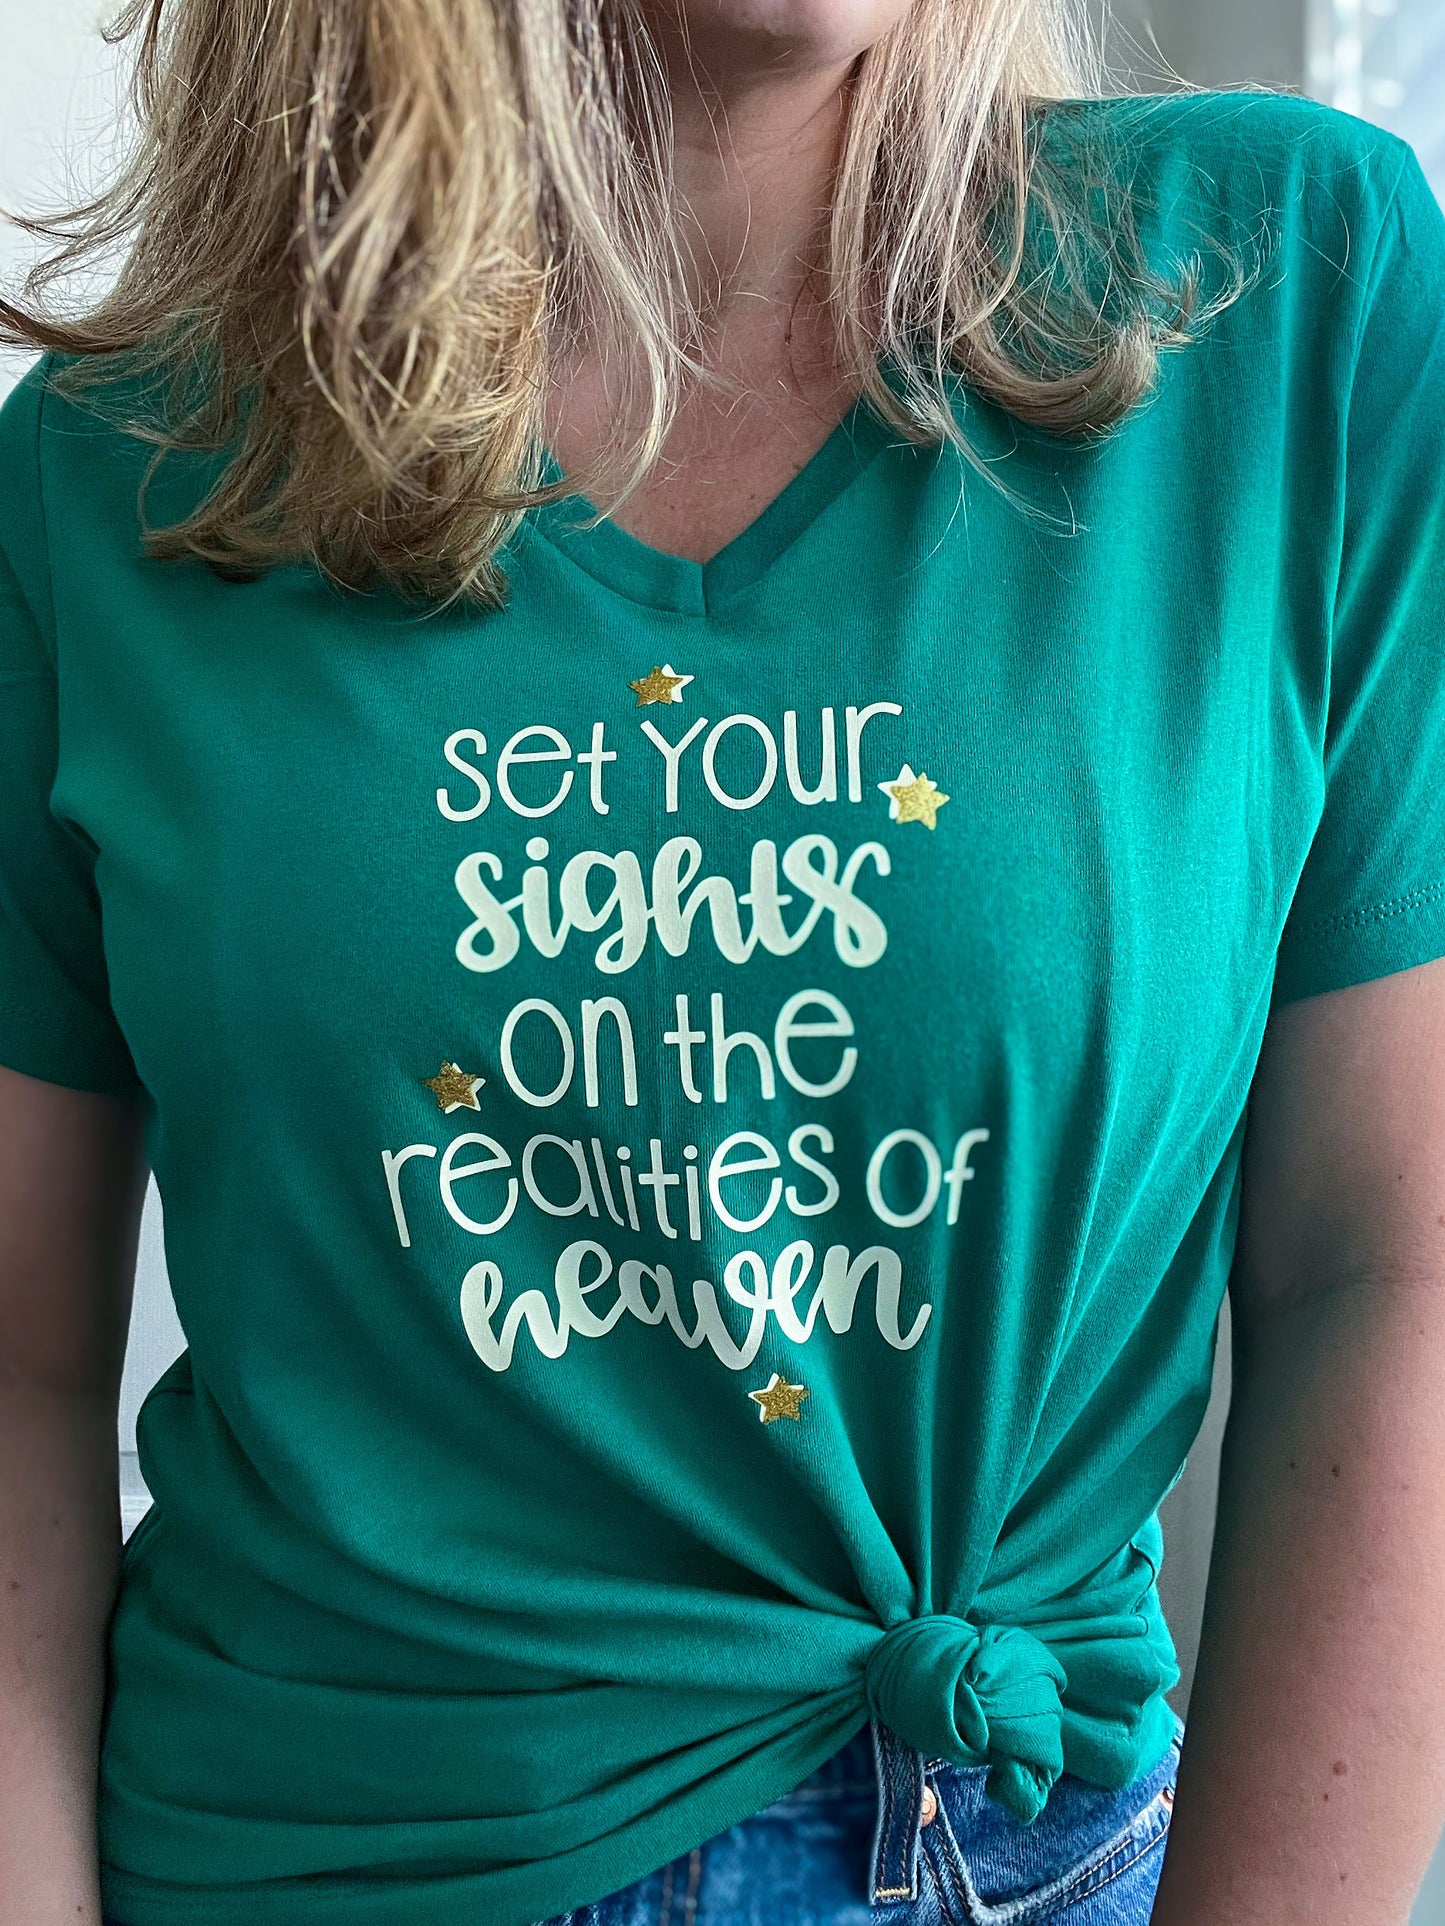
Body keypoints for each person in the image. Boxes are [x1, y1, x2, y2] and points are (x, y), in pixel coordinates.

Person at [3, 0, 1445, 1921]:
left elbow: (1395, 1265)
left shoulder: (1288, 293)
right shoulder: (116, 475)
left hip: (1018, 1841)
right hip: (318, 1851)